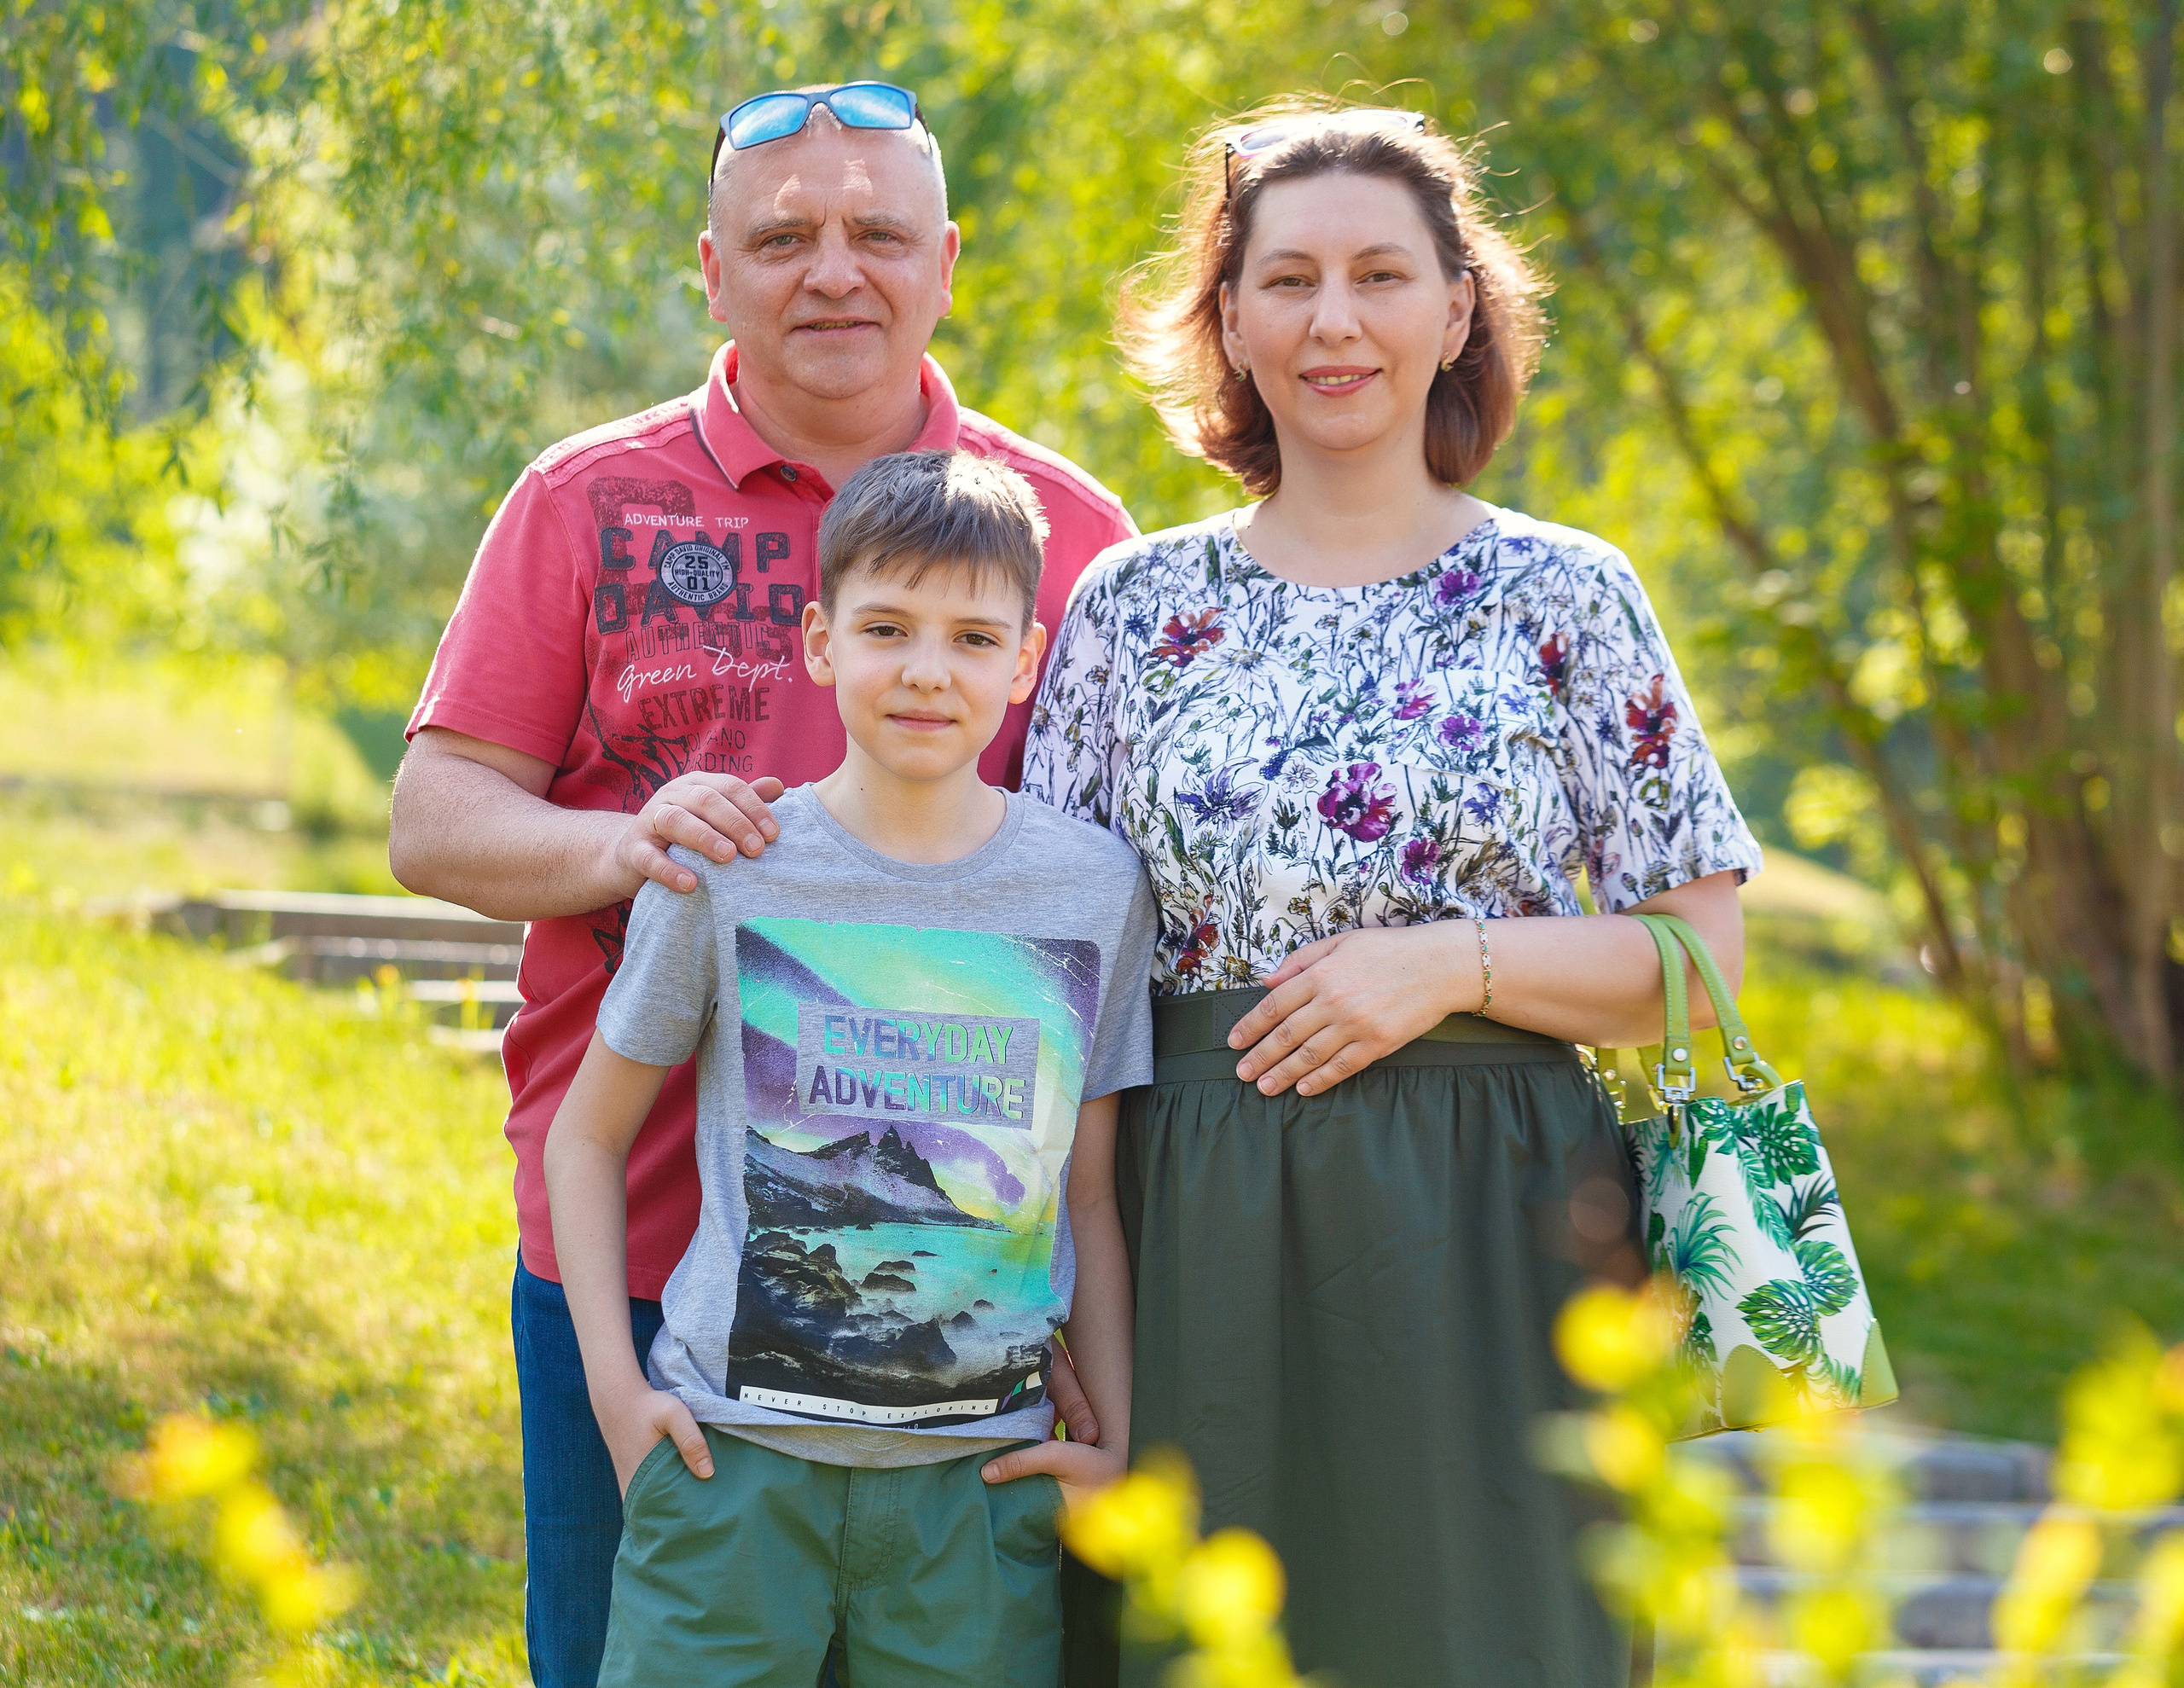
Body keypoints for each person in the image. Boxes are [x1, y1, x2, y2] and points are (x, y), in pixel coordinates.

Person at [387, 84, 1134, 1688]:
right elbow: (433, 818)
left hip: (959, 1294)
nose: (834, 273)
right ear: (712, 272)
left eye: (876, 234)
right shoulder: (585, 501)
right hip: (652, 1255)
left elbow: (1115, 905)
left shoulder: (1076, 539)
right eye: (783, 238)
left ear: (948, 261)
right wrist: (631, 844)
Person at [1023, 99, 1766, 1686]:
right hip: (1192, 1219)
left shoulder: (1567, 591)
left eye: (1380, 274)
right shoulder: (1129, 608)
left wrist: (1449, 967)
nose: (1334, 321)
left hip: (1500, 1220)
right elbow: (1051, 989)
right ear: (1228, 321)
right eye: (1286, 281)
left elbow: (1703, 956)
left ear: (1456, 309)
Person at [543, 450, 1151, 1686]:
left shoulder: (1093, 889)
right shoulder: (733, 863)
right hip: (733, 1466)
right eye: (888, 628)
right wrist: (617, 1393)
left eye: (975, 639)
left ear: (1027, 662)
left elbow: (1088, 1191)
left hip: (976, 1486)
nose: (929, 671)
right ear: (821, 642)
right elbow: (586, 1137)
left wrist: (1120, 1442)